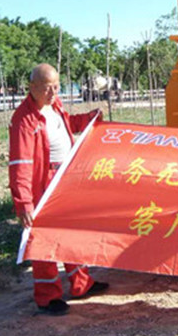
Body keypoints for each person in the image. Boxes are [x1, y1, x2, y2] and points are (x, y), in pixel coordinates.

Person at [9, 63, 108, 315]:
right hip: (43, 181)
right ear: (31, 88)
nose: (53, 92)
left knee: (71, 230)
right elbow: (20, 164)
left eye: (56, 87)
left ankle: (81, 283)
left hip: (66, 177)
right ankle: (47, 296)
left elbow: (67, 124)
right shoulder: (24, 120)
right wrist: (23, 202)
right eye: (46, 88)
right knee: (44, 238)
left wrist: (88, 119)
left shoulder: (54, 106)